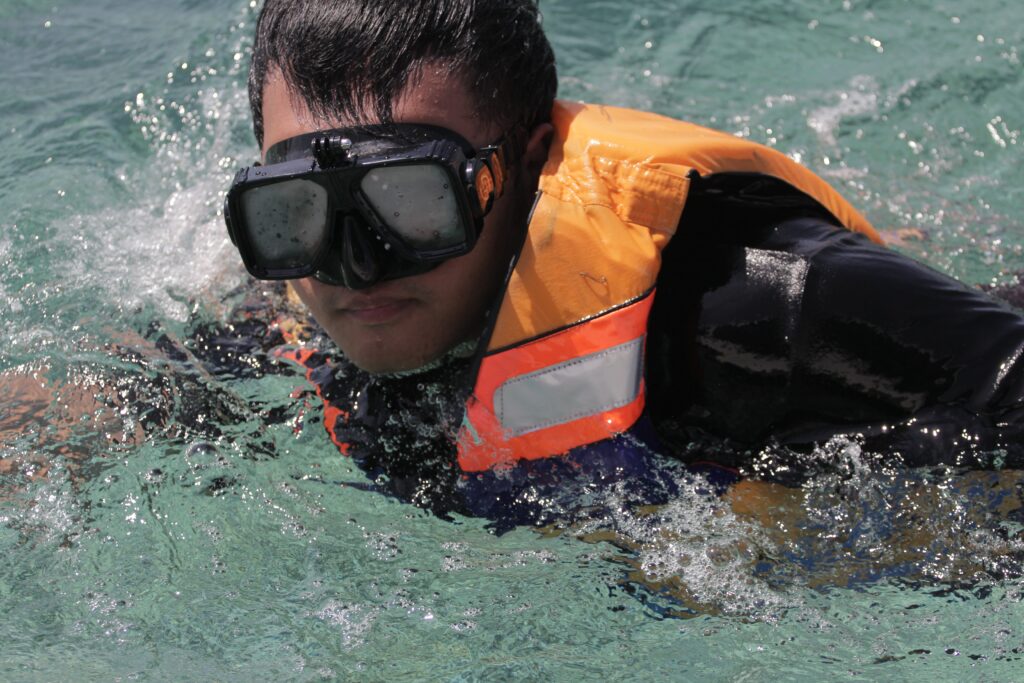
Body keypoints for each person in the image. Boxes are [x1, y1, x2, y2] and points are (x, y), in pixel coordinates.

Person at [222, 0, 1024, 522]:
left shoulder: (751, 302)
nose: (357, 267)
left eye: (409, 201)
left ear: (529, 164)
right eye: (299, 210)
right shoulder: (299, 292)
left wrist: (837, 543)